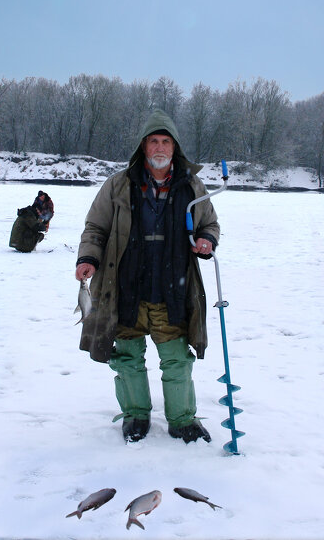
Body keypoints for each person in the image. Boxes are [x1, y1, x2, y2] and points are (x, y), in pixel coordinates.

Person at [75, 110, 219, 444]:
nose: (159, 147)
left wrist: (206, 240)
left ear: (174, 147)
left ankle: (183, 420)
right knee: (127, 358)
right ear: (143, 146)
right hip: (125, 288)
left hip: (173, 290)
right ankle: (136, 416)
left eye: (166, 141)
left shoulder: (192, 186)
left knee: (177, 359)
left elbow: (210, 224)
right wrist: (88, 259)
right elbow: (96, 227)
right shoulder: (118, 185)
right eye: (153, 140)